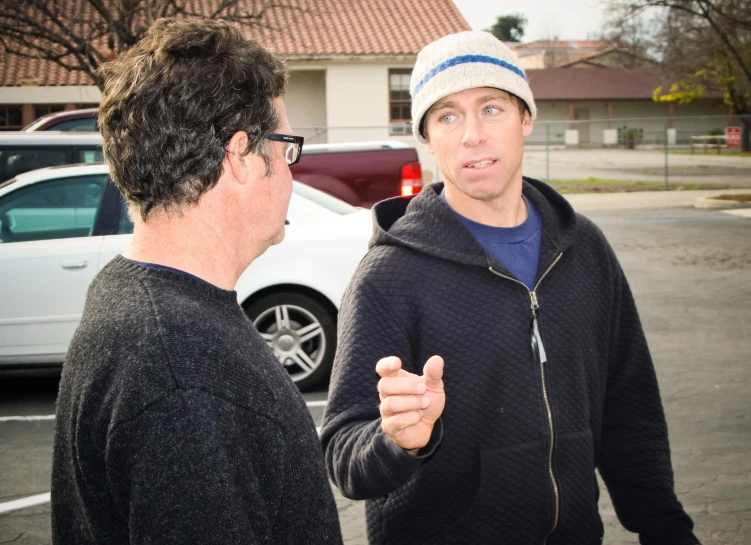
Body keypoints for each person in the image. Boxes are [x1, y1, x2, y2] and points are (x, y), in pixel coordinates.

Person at [320, 30, 700, 545]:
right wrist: (396, 441)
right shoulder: (388, 275)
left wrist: (666, 528)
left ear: (526, 119)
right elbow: (344, 455)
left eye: (492, 108)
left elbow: (631, 411)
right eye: (448, 115)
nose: (472, 134)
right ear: (427, 138)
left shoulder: (584, 248)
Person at [51, 18, 342, 545]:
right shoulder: (186, 370)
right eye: (286, 147)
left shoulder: (132, 298)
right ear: (239, 156)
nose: (292, 169)